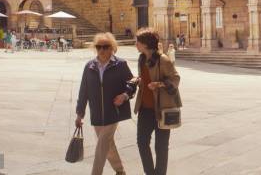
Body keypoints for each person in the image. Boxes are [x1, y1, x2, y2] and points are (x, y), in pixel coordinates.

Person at [75, 32, 136, 175]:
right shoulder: (89, 66)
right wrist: (80, 114)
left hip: (113, 112)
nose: (102, 50)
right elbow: (83, 91)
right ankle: (120, 170)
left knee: (102, 145)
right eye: (98, 47)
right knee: (108, 145)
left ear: (112, 48)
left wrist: (124, 95)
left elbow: (132, 84)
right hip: (96, 113)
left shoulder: (120, 64)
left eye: (105, 46)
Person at [132, 28, 181, 175]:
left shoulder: (163, 59)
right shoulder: (142, 59)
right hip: (145, 109)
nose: (135, 45)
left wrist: (159, 84)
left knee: (161, 147)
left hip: (161, 109)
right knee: (142, 143)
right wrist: (137, 80)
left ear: (145, 44)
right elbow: (145, 78)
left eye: (137, 42)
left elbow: (176, 79)